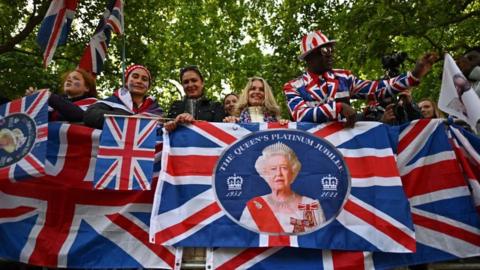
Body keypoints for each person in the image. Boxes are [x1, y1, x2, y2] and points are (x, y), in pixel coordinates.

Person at [283, 30, 437, 128]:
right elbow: (301, 115)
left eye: (331, 48)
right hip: (314, 149)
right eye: (325, 50)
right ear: (309, 57)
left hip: (347, 150)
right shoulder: (293, 86)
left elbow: (377, 89)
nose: (330, 53)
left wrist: (414, 74)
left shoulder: (343, 77)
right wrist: (339, 108)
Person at [239, 142, 325, 234]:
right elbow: (245, 239)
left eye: (284, 168)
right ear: (265, 174)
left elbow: (321, 240)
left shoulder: (311, 205)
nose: (278, 173)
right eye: (273, 169)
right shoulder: (254, 207)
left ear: (293, 171)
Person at [84, 64, 163, 129]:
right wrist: (131, 119)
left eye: (144, 79)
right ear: (126, 82)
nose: (139, 81)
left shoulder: (155, 110)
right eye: (135, 77)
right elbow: (90, 115)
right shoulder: (112, 101)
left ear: (148, 86)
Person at [164, 65, 225, 131]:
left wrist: (195, 123)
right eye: (186, 82)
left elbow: (221, 132)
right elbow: (164, 133)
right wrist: (169, 126)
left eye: (194, 80)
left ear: (202, 83)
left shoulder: (216, 106)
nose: (190, 85)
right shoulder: (175, 107)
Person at [25, 69, 97, 122]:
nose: (69, 80)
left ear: (87, 88)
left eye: (76, 79)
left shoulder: (95, 104)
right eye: (68, 79)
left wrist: (50, 97)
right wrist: (31, 101)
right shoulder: (51, 104)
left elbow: (80, 116)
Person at [223, 77, 288, 124]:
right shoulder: (236, 120)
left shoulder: (276, 121)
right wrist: (229, 125)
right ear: (247, 93)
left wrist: (285, 126)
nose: (257, 92)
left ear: (266, 94)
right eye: (253, 89)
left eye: (261, 89)